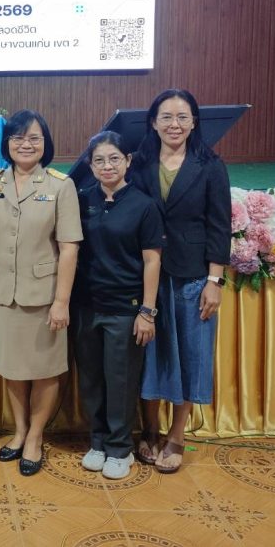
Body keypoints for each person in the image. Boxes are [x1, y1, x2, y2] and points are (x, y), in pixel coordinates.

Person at [0, 110, 81, 476]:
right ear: (7, 143)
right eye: (18, 137)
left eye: (34, 138)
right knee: (13, 368)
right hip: (2, 294)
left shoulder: (60, 186)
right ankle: (19, 431)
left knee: (45, 371)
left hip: (44, 296)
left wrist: (62, 301)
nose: (26, 144)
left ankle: (35, 437)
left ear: (45, 143)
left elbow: (69, 247)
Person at [131, 89, 231, 474]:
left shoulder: (210, 165)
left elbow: (220, 226)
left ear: (193, 123)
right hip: (148, 275)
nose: (175, 124)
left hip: (192, 276)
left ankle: (176, 435)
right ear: (153, 122)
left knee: (190, 356)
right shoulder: (139, 163)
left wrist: (215, 281)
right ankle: (149, 428)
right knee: (150, 355)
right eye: (167, 117)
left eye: (182, 117)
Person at [72, 131, 163, 481]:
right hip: (85, 306)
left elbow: (152, 261)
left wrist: (147, 311)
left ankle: (120, 447)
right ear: (90, 164)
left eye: (114, 159)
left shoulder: (144, 205)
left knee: (120, 380)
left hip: (125, 308)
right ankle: (97, 441)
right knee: (91, 379)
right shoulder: (82, 200)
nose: (106, 166)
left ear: (127, 161)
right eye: (99, 160)